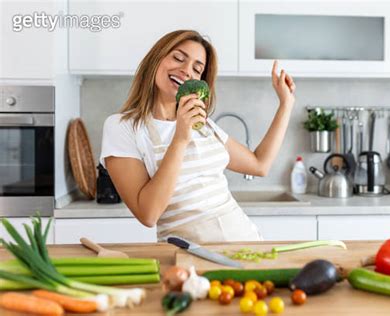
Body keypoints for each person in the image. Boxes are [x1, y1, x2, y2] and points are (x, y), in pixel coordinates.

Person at [100, 30, 296, 243]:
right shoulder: (122, 127)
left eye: (197, 68)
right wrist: (181, 138)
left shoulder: (203, 123)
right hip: (187, 253)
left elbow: (260, 165)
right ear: (156, 58)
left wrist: (286, 104)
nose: (186, 71)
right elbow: (148, 214)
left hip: (247, 241)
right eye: (178, 58)